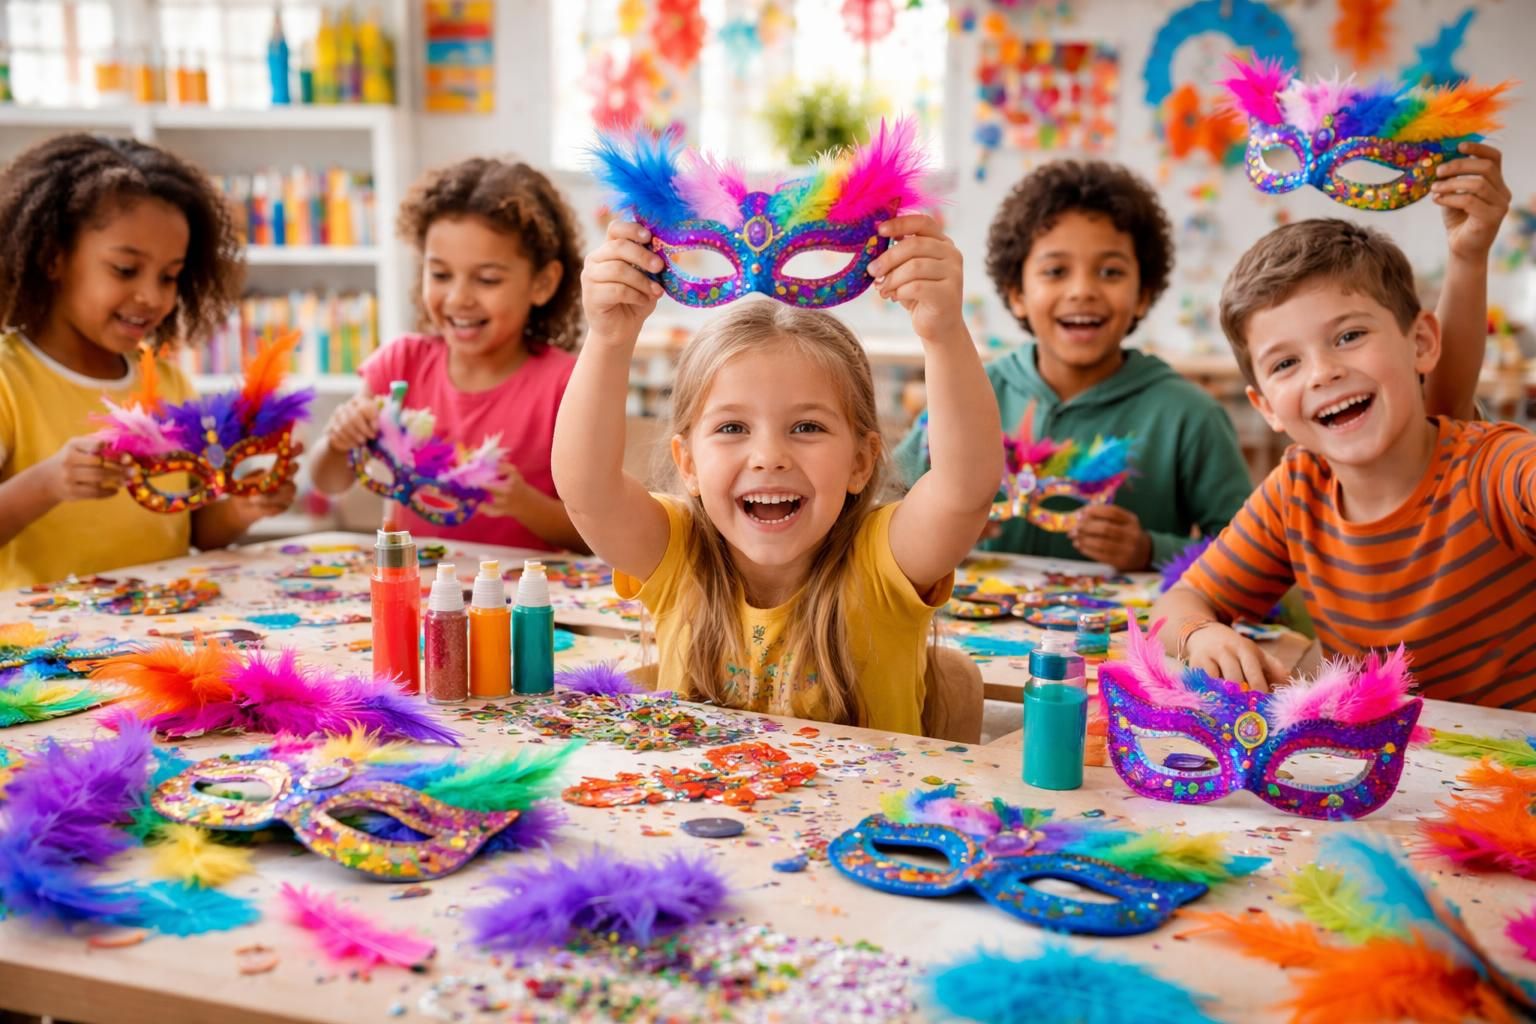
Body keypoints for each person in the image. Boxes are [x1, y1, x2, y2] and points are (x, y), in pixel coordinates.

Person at [552, 215, 1002, 733]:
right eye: (733, 427)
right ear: (689, 463)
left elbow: (964, 490)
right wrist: (608, 337)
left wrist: (943, 333)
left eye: (807, 427)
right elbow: (587, 490)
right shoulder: (677, 553)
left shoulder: (883, 563)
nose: (769, 456)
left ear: (860, 462)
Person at [1153, 218, 1536, 711]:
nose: (1323, 372)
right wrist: (1200, 636)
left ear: (1420, 343)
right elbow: (1177, 604)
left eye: (1349, 335)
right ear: (1266, 406)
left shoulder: (1492, 467)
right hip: (1374, 775)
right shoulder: (1295, 491)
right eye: (1285, 364)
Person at [0, 133, 290, 588]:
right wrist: (48, 484)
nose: (152, 297)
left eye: (170, 276)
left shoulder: (169, 382)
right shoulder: (8, 382)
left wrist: (241, 506)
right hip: (42, 651)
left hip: (155, 636)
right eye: (125, 269)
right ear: (52, 258)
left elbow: (197, 529)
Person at [310, 157, 586, 550]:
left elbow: (592, 537)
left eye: (487, 279)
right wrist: (339, 439)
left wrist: (524, 504)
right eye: (440, 275)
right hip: (413, 593)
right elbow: (328, 481)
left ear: (542, 283)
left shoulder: (568, 385)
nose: (458, 298)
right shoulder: (400, 363)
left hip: (522, 603)